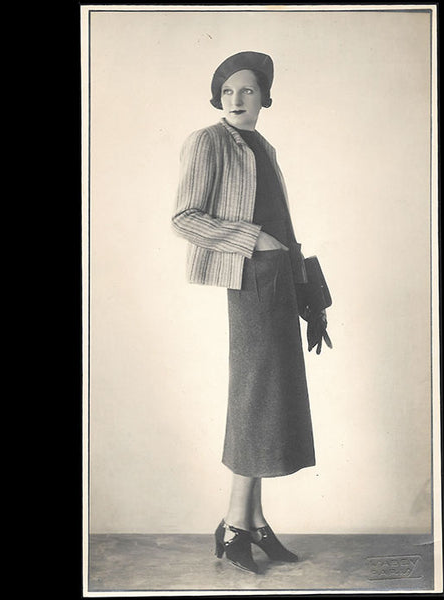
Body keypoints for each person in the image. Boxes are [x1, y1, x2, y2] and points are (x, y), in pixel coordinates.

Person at [172, 51, 322, 574]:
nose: (236, 99)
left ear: (264, 98)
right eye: (228, 91)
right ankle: (236, 523)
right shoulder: (208, 140)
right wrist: (252, 238)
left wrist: (306, 295)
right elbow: (184, 218)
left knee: (268, 398)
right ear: (218, 98)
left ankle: (252, 521)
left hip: (279, 279)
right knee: (256, 395)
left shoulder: (263, 146)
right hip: (250, 276)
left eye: (248, 90)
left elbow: (283, 221)